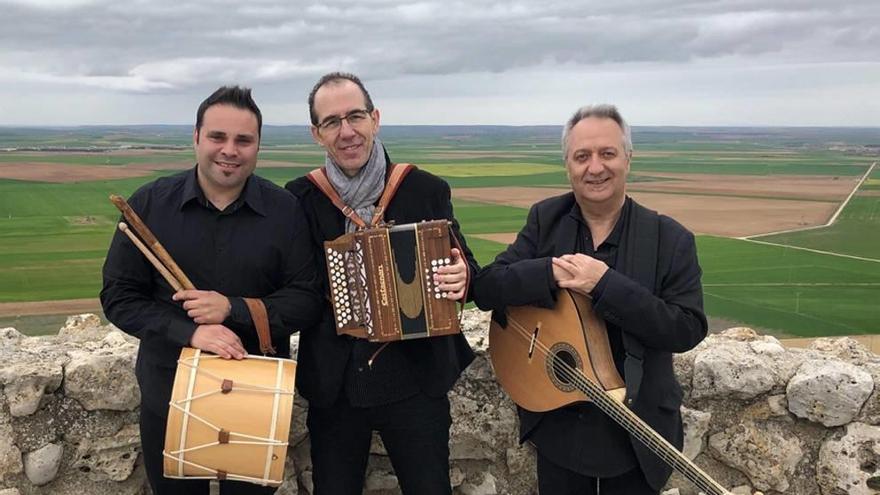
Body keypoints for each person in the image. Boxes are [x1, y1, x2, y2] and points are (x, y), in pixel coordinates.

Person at [472, 104, 707, 494]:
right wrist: (547, 271)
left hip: (638, 432)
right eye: (582, 156)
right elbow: (486, 288)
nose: (594, 168)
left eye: (607, 154)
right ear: (568, 165)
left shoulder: (670, 239)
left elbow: (686, 328)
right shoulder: (545, 219)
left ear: (628, 159)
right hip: (558, 422)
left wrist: (606, 285)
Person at [101, 86, 322, 495]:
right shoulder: (150, 204)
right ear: (196, 138)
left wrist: (232, 309)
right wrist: (190, 332)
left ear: (258, 146)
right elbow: (118, 297)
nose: (229, 150)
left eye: (243, 140)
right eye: (218, 137)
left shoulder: (285, 211)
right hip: (168, 393)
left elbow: (307, 300)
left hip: (254, 398)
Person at [284, 72, 479, 495]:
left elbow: (469, 271)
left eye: (355, 116)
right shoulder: (300, 197)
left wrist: (463, 277)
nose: (347, 131)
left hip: (416, 384)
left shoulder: (424, 189)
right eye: (332, 122)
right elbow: (293, 287)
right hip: (335, 389)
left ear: (375, 118)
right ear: (317, 134)